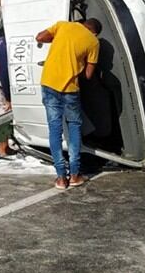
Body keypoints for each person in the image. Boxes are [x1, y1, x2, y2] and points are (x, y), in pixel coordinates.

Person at [35, 18, 101, 190]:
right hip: (71, 89)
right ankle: (75, 175)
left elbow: (40, 37)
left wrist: (57, 41)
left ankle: (60, 178)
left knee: (55, 129)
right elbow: (88, 74)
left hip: (49, 84)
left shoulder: (62, 25)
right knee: (74, 127)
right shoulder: (93, 41)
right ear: (94, 32)